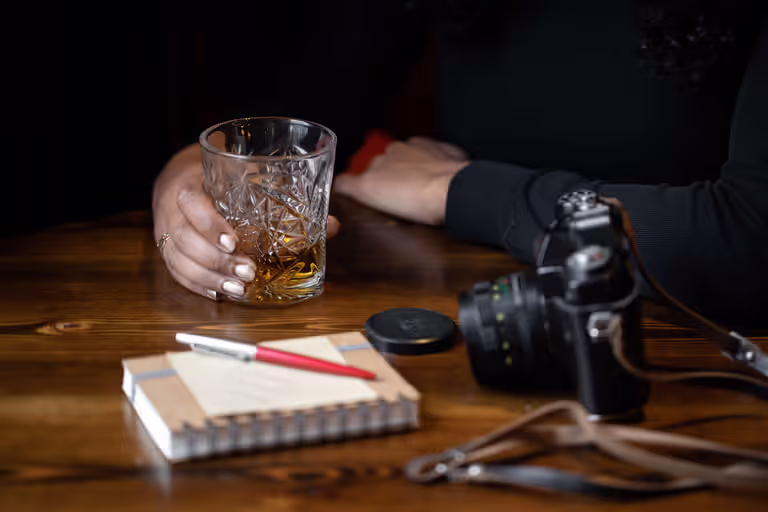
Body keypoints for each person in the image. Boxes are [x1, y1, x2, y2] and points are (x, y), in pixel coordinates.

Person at [153, 0, 767, 325]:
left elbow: (749, 244)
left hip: (684, 350)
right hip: (472, 330)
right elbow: (304, 100)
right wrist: (185, 177)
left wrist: (454, 190)